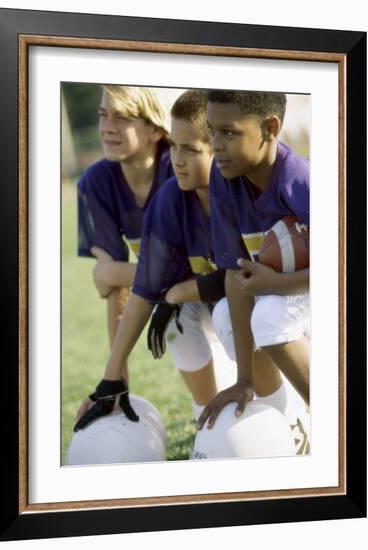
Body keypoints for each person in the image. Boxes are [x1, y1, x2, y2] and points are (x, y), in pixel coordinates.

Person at [74, 90, 290, 433]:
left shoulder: (246, 189)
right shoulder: (170, 198)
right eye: (175, 146)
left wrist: (177, 291)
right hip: (216, 302)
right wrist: (111, 378)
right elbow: (144, 289)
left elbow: (242, 278)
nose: (177, 159)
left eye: (190, 149)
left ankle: (285, 417)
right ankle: (207, 420)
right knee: (175, 317)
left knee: (230, 313)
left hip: (282, 302)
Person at [196, 89, 310, 437]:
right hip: (291, 294)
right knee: (225, 318)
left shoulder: (301, 182)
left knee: (268, 316)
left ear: (270, 128)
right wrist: (243, 380)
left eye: (229, 132)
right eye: (211, 130)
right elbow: (235, 273)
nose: (215, 143)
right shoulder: (223, 177)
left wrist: (274, 285)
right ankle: (291, 427)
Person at [77, 85, 176, 387]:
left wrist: (116, 272)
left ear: (156, 129)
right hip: (174, 295)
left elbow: (198, 272)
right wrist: (116, 380)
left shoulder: (179, 168)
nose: (107, 128)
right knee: (174, 320)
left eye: (122, 118)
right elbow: (114, 288)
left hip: (216, 291)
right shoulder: (97, 181)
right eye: (103, 115)